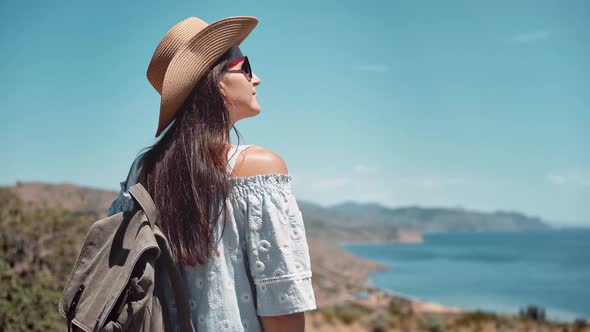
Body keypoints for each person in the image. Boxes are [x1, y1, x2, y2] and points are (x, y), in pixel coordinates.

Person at [107, 16, 317, 332]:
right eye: (245, 67)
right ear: (217, 81)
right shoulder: (259, 167)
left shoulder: (141, 172)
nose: (256, 79)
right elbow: (282, 306)